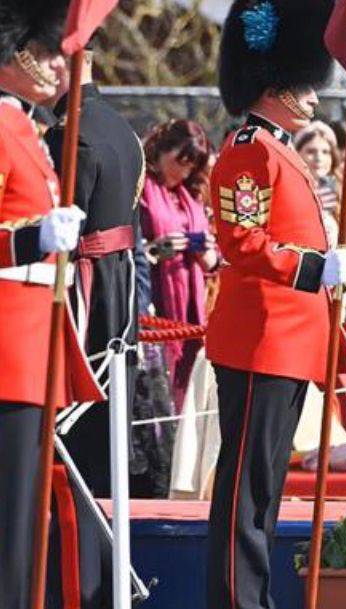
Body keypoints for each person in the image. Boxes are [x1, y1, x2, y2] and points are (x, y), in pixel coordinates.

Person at [204, 1, 346, 608]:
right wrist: (314, 267)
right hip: (261, 339)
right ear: (278, 87)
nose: (315, 93)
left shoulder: (279, 148)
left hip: (287, 342)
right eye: (304, 81)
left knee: (264, 489)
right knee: (246, 490)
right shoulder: (251, 150)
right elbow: (240, 241)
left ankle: (254, 595)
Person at [0, 4, 104, 607]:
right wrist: (29, 237)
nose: (54, 69)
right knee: (10, 515)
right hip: (10, 347)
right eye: (43, 55)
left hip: (35, 345)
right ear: (13, 54)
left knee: (25, 517)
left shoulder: (26, 129)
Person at [43, 36, 147, 607]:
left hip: (87, 295)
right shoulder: (121, 126)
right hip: (119, 291)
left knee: (71, 452)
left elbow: (64, 228)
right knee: (97, 452)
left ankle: (81, 584)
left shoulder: (72, 132)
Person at [139, 119, 217, 413]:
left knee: (191, 383)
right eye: (180, 162)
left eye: (191, 166)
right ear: (161, 150)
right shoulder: (141, 188)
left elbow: (215, 259)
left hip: (193, 303)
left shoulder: (191, 194)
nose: (183, 171)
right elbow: (133, 248)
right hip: (156, 297)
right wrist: (156, 249)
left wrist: (208, 254)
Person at [295, 120, 342, 246]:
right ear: (297, 154)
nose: (319, 158)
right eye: (311, 151)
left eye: (325, 152)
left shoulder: (339, 191)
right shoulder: (291, 193)